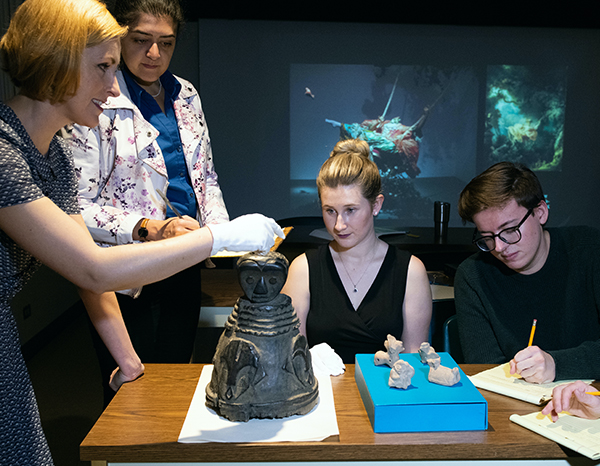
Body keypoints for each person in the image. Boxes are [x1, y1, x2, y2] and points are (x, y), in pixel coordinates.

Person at [0, 1, 283, 464]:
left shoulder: (51, 158)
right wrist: (221, 237)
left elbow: (86, 269)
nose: (114, 87)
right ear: (58, 64)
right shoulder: (4, 154)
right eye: (104, 67)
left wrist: (129, 362)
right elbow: (95, 267)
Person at [64, 0, 228, 405]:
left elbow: (204, 177)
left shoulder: (185, 93)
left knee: (175, 379)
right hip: (122, 267)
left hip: (181, 255)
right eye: (141, 41)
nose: (154, 54)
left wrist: (224, 236)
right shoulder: (97, 95)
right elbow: (76, 207)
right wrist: (147, 227)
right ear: (120, 37)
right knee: (128, 392)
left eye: (166, 43)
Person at [281, 139, 432, 364]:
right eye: (330, 211)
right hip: (322, 396)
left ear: (376, 205)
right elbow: (293, 361)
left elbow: (413, 364)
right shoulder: (303, 269)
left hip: (387, 396)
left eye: (350, 210)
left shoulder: (411, 271)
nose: (339, 225)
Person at [454, 161, 600, 384]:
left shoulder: (590, 252)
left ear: (540, 213)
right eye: (487, 237)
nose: (500, 247)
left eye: (510, 230)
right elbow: (485, 370)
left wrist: (557, 364)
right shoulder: (474, 275)